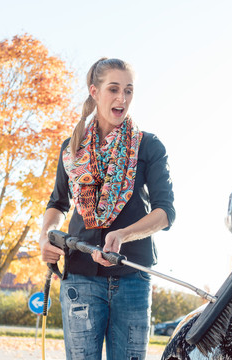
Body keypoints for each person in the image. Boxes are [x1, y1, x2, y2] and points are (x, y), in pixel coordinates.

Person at [39, 58, 175, 360]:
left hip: (132, 276)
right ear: (94, 91)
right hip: (80, 276)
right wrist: (45, 237)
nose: (122, 98)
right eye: (113, 89)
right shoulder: (71, 149)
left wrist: (123, 235)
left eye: (128, 90)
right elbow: (58, 204)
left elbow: (165, 213)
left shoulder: (148, 146)